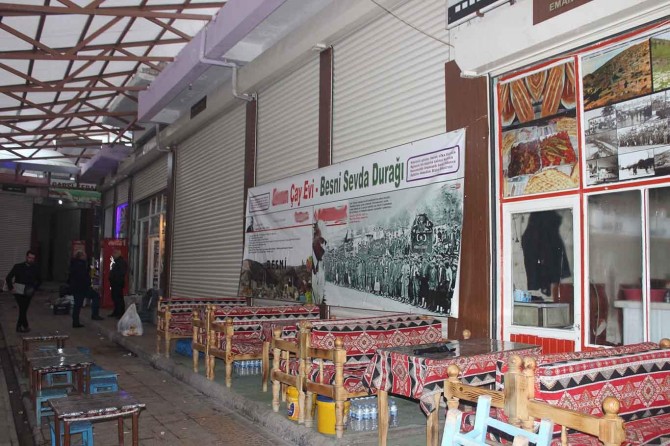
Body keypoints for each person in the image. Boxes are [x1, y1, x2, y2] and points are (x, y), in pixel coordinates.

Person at [6, 250, 41, 332]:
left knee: (23, 309)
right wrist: (11, 288)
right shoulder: (18, 266)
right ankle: (20, 327)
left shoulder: (36, 268)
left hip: (28, 290)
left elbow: (40, 280)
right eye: (29, 257)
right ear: (26, 257)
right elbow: (8, 278)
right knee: (22, 308)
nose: (30, 259)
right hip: (18, 289)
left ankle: (25, 325)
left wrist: (34, 288)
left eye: (32, 258)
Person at [69, 251, 90, 328]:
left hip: (76, 287)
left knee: (77, 305)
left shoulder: (74, 263)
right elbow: (82, 276)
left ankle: (75, 321)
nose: (86, 257)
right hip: (80, 287)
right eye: (84, 255)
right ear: (81, 256)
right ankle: (75, 322)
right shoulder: (80, 265)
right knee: (78, 305)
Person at [109, 249, 127, 318]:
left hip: (118, 283)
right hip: (115, 283)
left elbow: (121, 273)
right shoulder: (117, 262)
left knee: (118, 298)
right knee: (115, 297)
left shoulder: (121, 262)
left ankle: (120, 313)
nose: (113, 255)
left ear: (118, 254)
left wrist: (115, 278)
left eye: (114, 253)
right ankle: (116, 311)